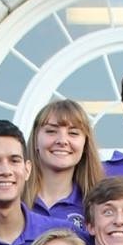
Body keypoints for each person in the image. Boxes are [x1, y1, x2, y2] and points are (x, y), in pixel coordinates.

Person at [25, 97, 105, 233]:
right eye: (51, 131)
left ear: (85, 145)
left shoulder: (99, 204)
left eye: (73, 133)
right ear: (35, 141)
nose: (62, 141)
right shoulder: (11, 199)